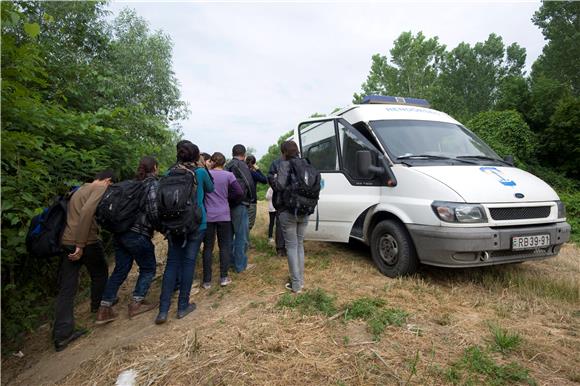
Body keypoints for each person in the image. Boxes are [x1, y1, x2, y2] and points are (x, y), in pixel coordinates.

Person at [53, 170, 114, 351]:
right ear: (107, 180)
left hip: (66, 241)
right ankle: (98, 307)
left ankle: (62, 335)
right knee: (100, 272)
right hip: (85, 241)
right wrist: (80, 244)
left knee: (67, 288)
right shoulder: (100, 188)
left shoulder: (80, 189)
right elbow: (87, 212)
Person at [96, 157, 160, 324]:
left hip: (120, 232)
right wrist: (162, 228)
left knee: (120, 269)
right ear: (154, 168)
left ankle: (104, 309)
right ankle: (137, 303)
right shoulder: (151, 184)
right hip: (138, 233)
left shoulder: (131, 183)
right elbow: (153, 209)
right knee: (148, 267)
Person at [155, 141, 214, 324]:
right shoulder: (200, 172)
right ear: (197, 156)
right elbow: (211, 189)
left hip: (173, 225)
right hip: (197, 223)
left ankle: (163, 311)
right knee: (189, 262)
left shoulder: (168, 173)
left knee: (172, 264)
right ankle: (182, 307)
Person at [274, 140, 311, 294]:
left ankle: (296, 285)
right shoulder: (306, 165)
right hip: (304, 210)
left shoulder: (284, 165)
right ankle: (300, 281)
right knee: (300, 245)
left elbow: (279, 186)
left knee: (291, 246)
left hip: (288, 211)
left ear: (284, 152)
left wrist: (274, 178)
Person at [202, 152, 243, 289]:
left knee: (208, 248)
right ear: (224, 163)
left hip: (208, 216)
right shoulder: (228, 175)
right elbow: (239, 192)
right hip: (224, 215)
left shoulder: (205, 174)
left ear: (212, 162)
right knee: (224, 246)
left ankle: (207, 280)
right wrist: (227, 197)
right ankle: (224, 277)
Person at [225, 144, 256, 273]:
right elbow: (249, 183)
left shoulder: (227, 165)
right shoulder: (241, 165)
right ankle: (240, 265)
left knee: (230, 235)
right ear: (243, 154)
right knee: (241, 236)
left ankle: (231, 262)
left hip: (227, 204)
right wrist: (251, 198)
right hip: (240, 204)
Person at [267, 153, 286, 257]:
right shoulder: (301, 162)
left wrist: (278, 189)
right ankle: (290, 247)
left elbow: (270, 178)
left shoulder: (276, 163)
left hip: (280, 199)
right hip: (295, 199)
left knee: (280, 224)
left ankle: (280, 249)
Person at [245, 155, 268, 231]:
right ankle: (245, 242)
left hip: (240, 201)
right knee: (249, 224)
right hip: (251, 201)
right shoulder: (252, 173)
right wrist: (258, 170)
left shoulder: (241, 172)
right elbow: (264, 180)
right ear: (253, 163)